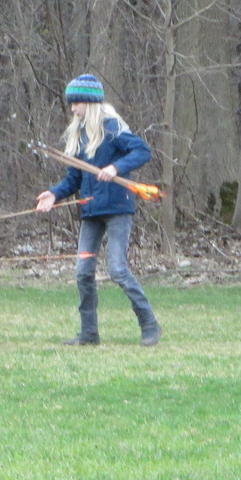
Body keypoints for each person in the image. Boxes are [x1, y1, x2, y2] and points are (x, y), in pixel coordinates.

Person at [35, 74, 162, 346]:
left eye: (77, 103)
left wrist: (115, 168)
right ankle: (89, 333)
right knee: (83, 272)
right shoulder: (78, 135)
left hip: (118, 208)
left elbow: (142, 151)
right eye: (71, 104)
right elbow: (74, 178)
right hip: (91, 212)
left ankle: (150, 324)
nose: (73, 109)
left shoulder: (112, 126)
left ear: (90, 103)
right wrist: (54, 194)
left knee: (117, 269)